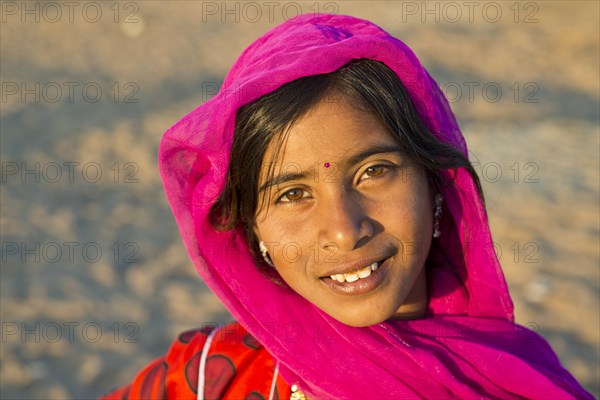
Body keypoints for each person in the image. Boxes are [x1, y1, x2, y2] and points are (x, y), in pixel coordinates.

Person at [101, 13, 593, 400]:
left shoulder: (512, 385)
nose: (344, 231)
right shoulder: (205, 377)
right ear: (252, 230)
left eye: (374, 171)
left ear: (436, 185)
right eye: (292, 194)